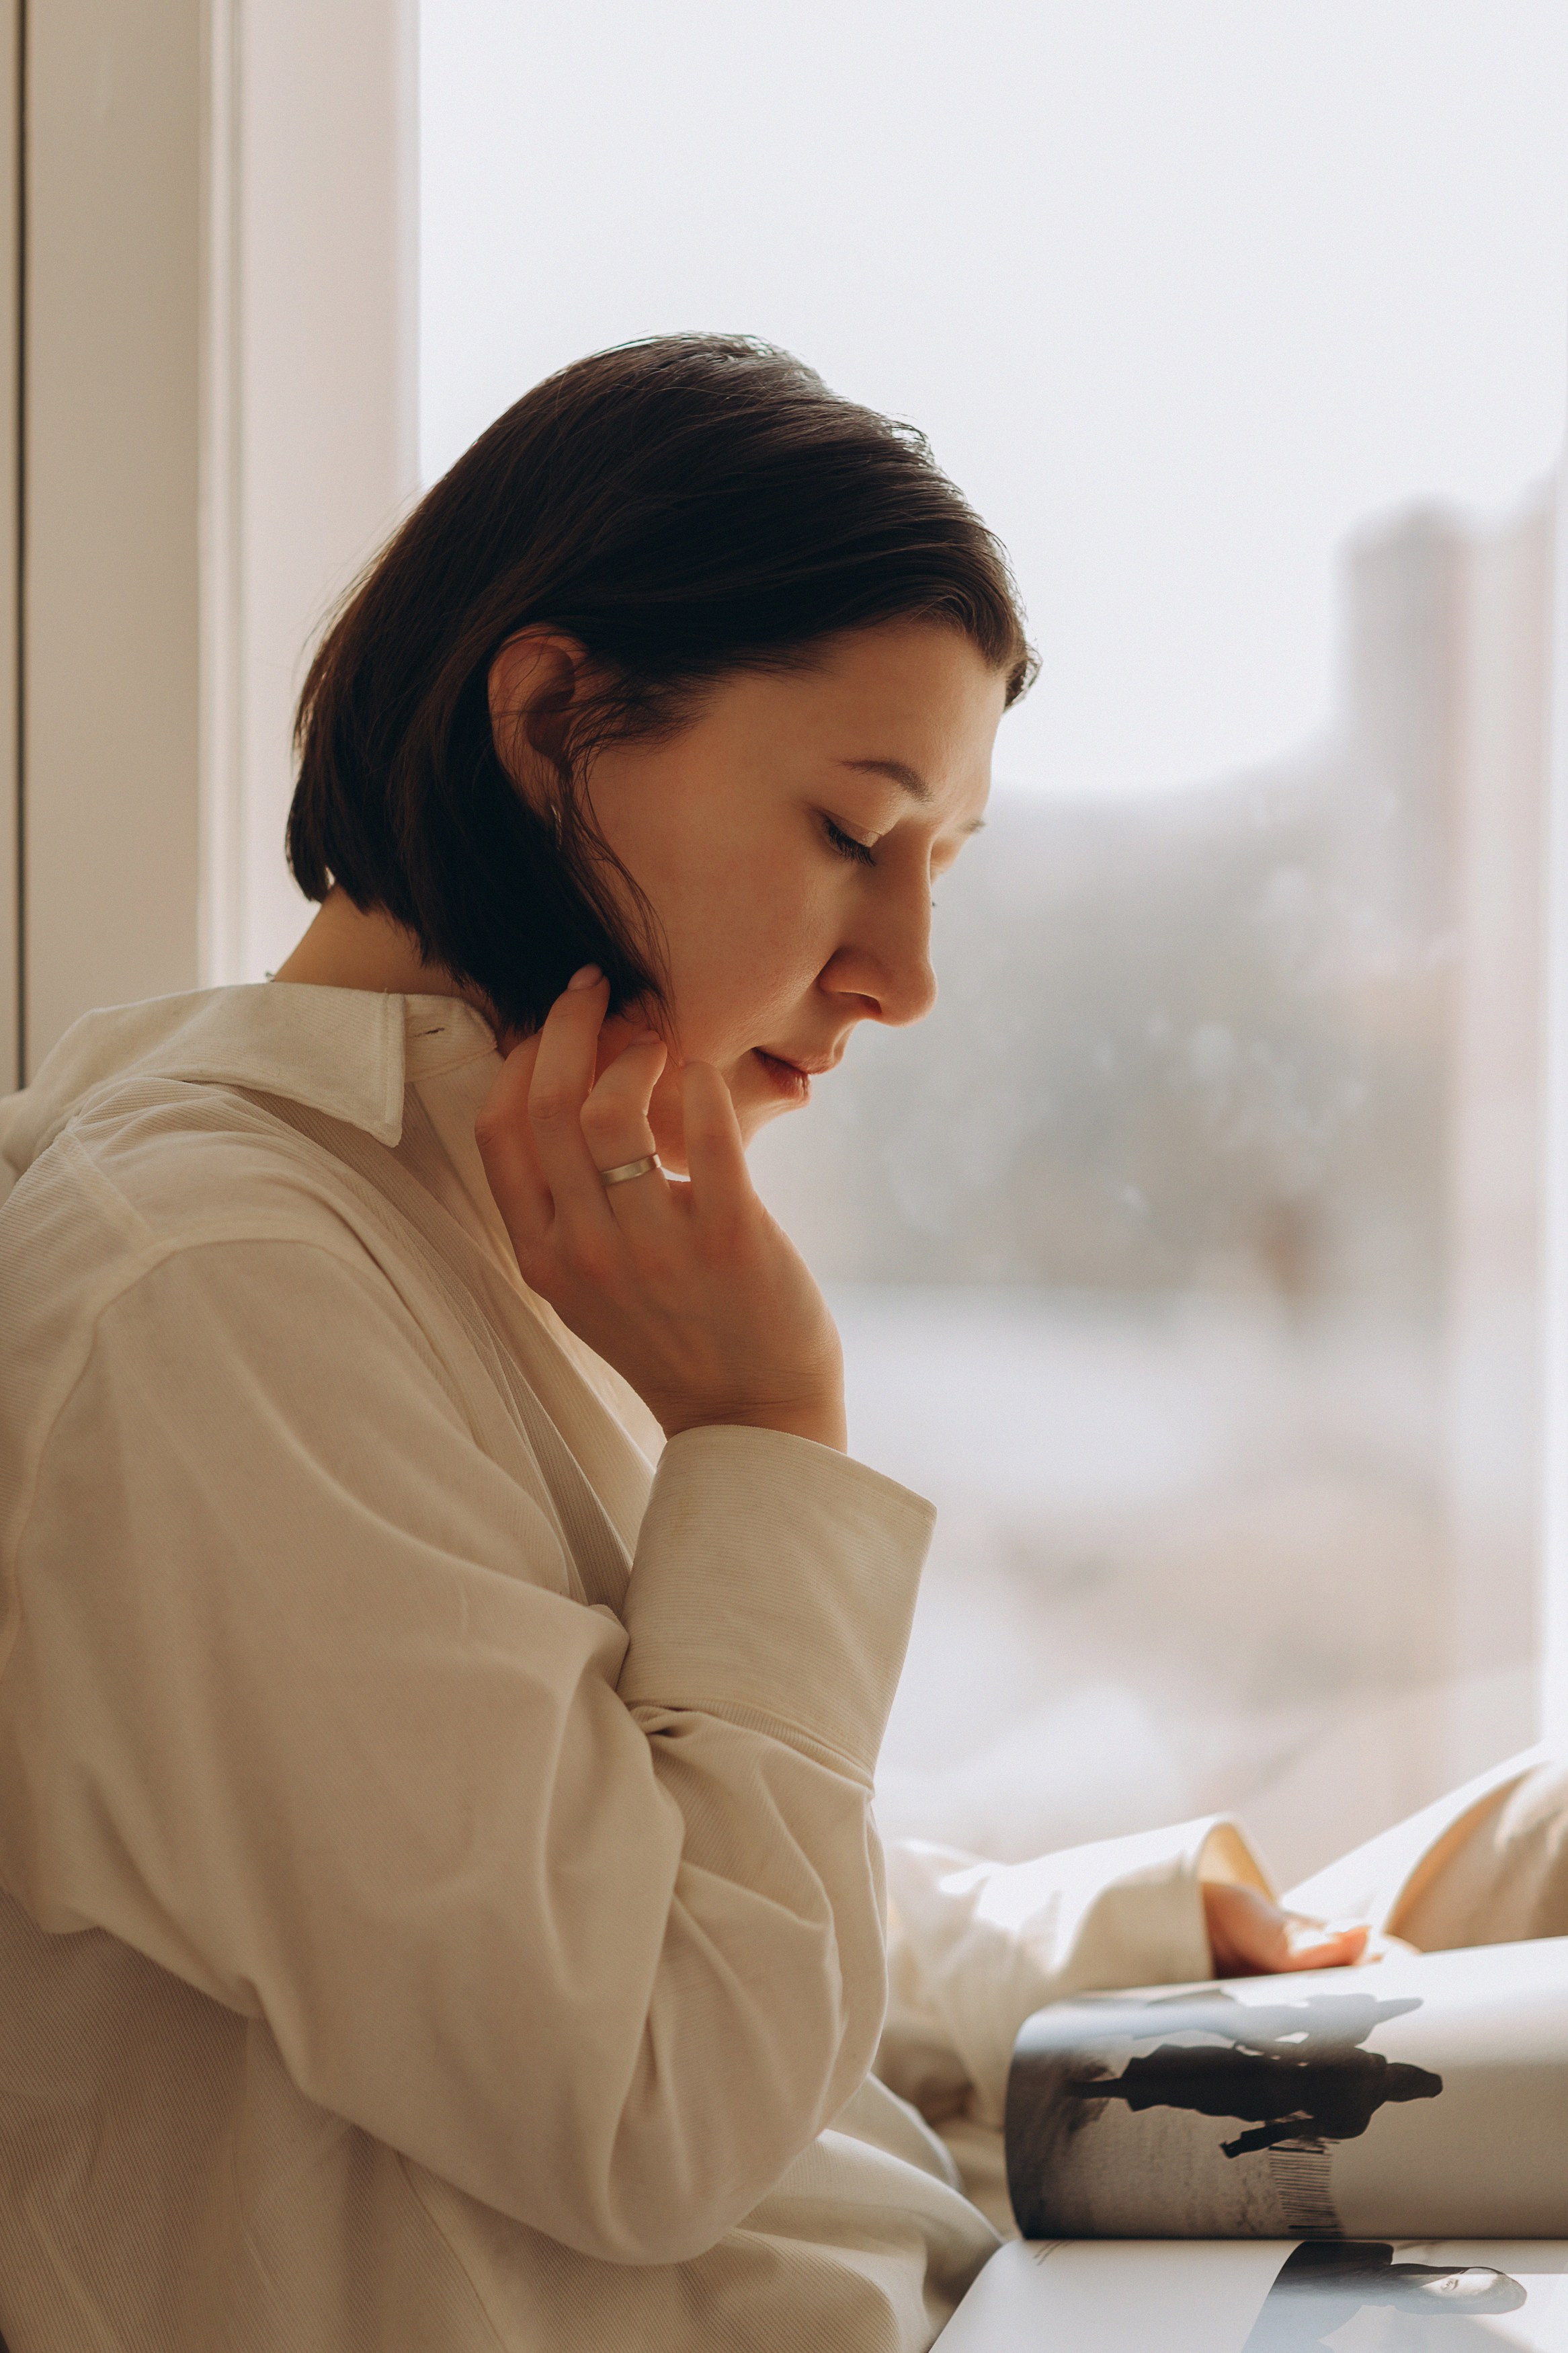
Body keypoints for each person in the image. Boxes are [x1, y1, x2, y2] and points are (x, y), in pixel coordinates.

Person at [0, 335, 1563, 2353]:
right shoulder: (205, 1299)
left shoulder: (455, 1225)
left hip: (960, 2225)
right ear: (554, 713)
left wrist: (1123, 1937)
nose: (907, 975)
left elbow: (622, 1846)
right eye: (853, 830)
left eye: (944, 864)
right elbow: (654, 2080)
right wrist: (764, 1430)